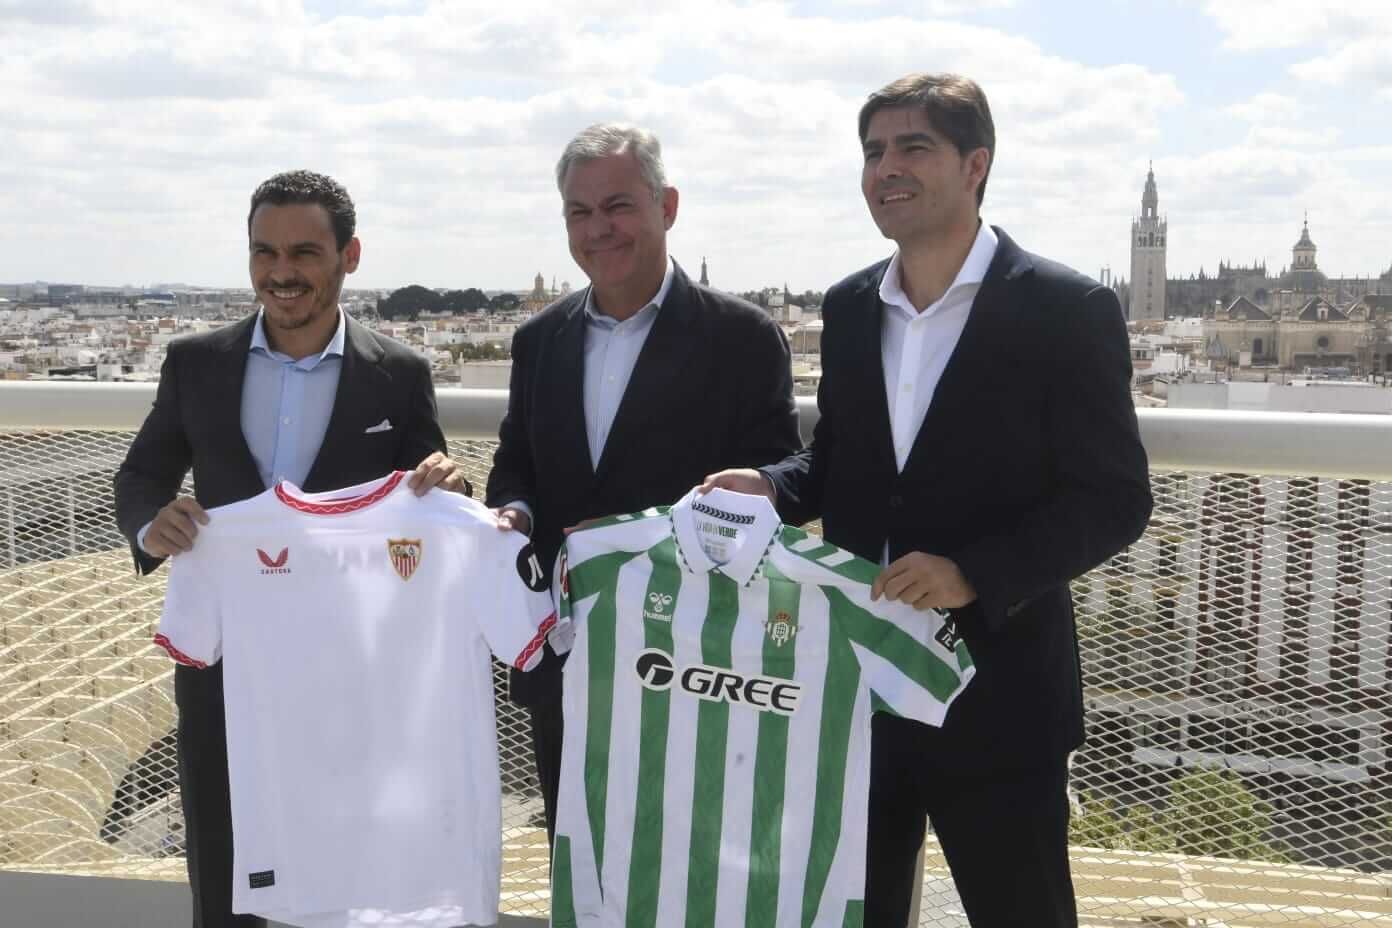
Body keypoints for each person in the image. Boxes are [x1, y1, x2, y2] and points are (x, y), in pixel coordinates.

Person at [703, 73, 1152, 927]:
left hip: (1001, 694)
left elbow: (1116, 496)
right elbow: (838, 464)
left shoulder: (1067, 308)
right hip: (858, 688)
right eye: (873, 151)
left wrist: (974, 574)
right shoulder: (847, 306)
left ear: (975, 164)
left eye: (913, 147)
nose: (886, 168)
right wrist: (770, 488)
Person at [114, 169, 468, 928]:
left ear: (351, 255)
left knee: (354, 872)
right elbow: (142, 473)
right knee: (224, 856)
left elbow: (432, 494)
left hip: (353, 675)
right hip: (225, 665)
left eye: (305, 252)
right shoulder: (195, 363)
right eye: (263, 253)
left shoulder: (399, 374)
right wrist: (153, 524)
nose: (281, 273)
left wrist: (449, 483)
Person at [486, 123, 801, 843]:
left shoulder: (743, 336)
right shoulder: (540, 340)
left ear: (669, 206)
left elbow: (787, 469)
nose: (598, 229)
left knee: (691, 868)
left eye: (618, 206)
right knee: (581, 861)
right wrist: (512, 511)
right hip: (567, 654)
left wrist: (765, 486)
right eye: (578, 211)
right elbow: (516, 464)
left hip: (694, 659)